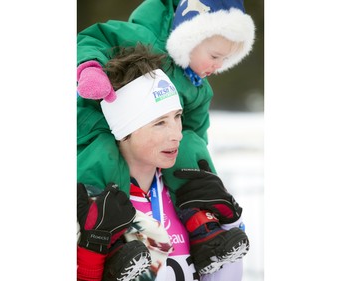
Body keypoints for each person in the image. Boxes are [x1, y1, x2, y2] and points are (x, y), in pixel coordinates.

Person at [77, 0, 254, 276]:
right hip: (104, 116)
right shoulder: (143, 37)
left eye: (226, 60)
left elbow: (197, 135)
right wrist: (90, 68)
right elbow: (94, 38)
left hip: (151, 164)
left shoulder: (197, 87)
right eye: (216, 55)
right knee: (102, 154)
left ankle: (201, 221)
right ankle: (111, 233)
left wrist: (201, 177)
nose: (219, 67)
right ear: (191, 36)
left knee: (191, 143)